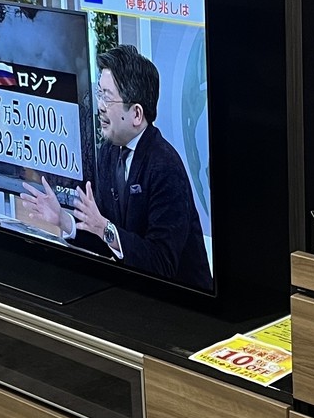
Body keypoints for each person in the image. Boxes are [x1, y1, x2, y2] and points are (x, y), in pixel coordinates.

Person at [20, 44, 212, 293]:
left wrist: (104, 228)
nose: (100, 105)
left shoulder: (165, 167)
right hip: (132, 294)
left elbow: (161, 263)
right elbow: (105, 238)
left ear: (136, 114)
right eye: (100, 94)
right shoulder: (109, 153)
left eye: (108, 98)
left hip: (183, 304)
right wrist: (63, 220)